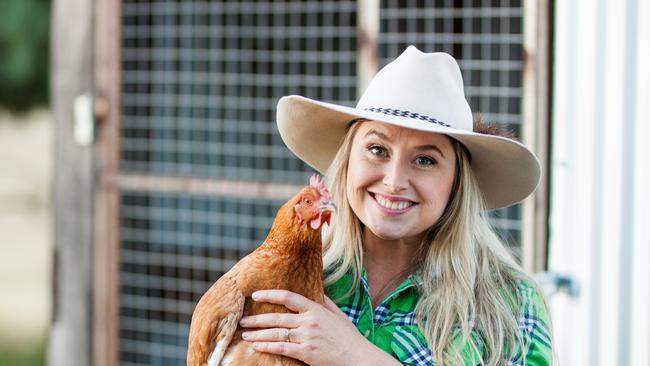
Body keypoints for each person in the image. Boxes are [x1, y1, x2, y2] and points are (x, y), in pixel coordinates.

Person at [238, 45, 553, 365]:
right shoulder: (287, 281)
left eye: (425, 160)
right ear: (347, 161)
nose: (394, 180)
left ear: (457, 182)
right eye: (377, 150)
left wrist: (353, 354)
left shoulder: (510, 303)